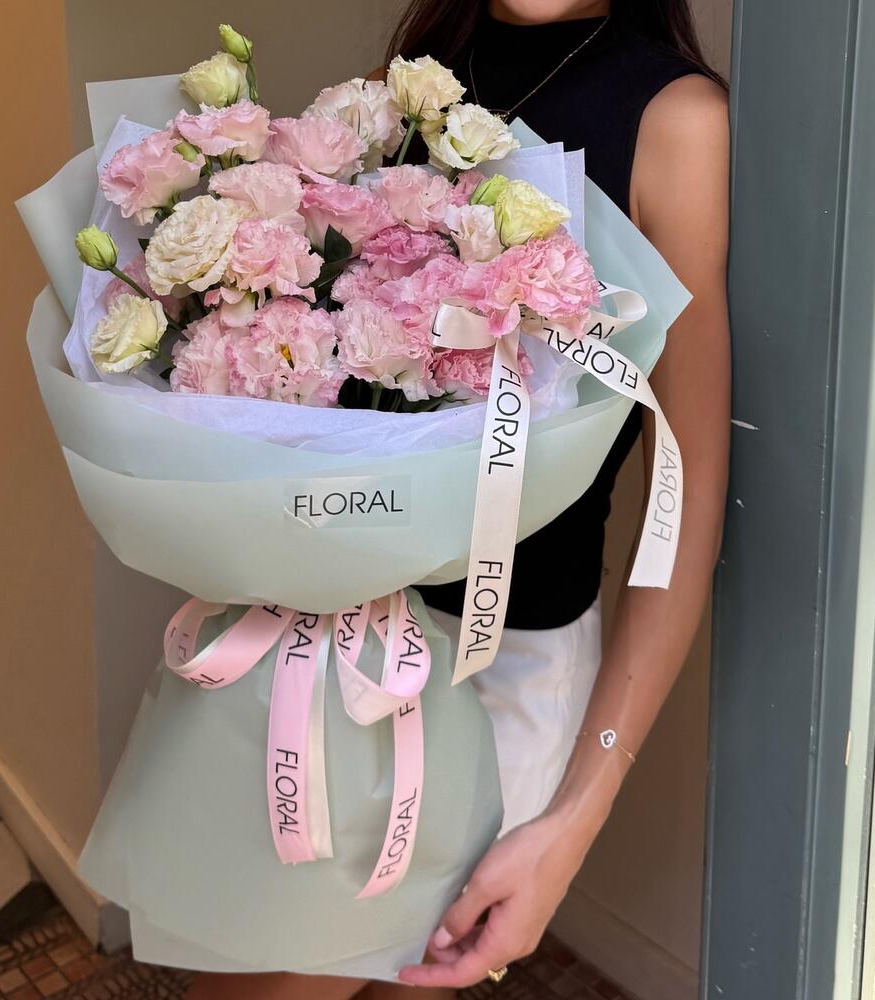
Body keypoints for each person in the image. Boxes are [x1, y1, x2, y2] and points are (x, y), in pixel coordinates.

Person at [188, 0, 729, 996]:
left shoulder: (676, 122)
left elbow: (683, 496)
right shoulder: (418, 75)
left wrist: (582, 807)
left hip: (506, 670)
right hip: (333, 641)